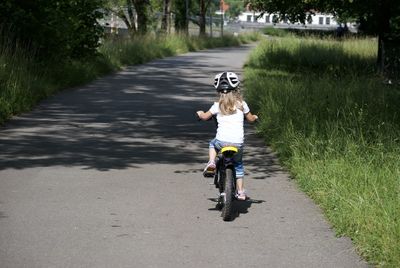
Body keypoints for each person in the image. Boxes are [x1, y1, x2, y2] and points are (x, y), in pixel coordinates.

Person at [196, 71, 258, 201]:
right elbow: (251, 119)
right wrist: (255, 117)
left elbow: (205, 116)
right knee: (238, 164)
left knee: (213, 144)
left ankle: (212, 162)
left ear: (218, 90)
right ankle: (240, 192)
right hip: (238, 143)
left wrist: (200, 113)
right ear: (236, 89)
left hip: (221, 142)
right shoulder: (242, 104)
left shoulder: (217, 105)